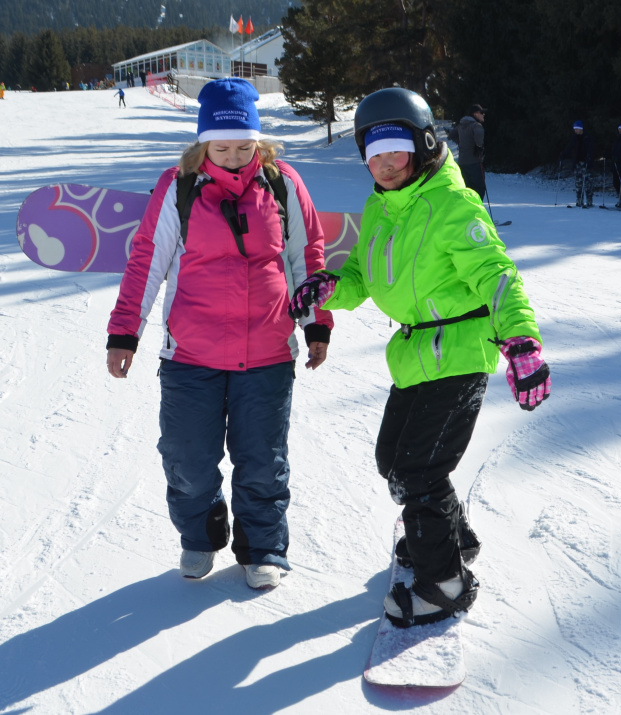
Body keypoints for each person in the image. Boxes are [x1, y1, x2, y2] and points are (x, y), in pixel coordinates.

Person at [289, 87, 550, 627]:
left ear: (425, 146)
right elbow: (362, 275)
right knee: (395, 463)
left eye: (395, 152)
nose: (384, 166)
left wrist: (521, 341)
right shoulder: (381, 207)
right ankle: (450, 535)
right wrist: (326, 290)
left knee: (418, 470)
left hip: (457, 354)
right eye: (373, 156)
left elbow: (497, 275)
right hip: (414, 357)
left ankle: (445, 584)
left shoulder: (454, 205)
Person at [106, 78, 332, 590]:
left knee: (263, 459)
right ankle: (200, 537)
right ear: (203, 142)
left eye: (244, 146)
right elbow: (147, 260)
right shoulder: (178, 186)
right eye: (222, 146)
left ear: (259, 141)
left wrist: (315, 322)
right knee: (187, 457)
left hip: (268, 351)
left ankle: (263, 548)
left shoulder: (282, 183)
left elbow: (306, 257)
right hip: (191, 354)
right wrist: (125, 333)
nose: (233, 157)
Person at [453, 103, 487, 199]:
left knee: (466, 189)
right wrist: (479, 146)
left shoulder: (461, 125)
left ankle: (467, 210)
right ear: (475, 114)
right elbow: (479, 133)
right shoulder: (476, 125)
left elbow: (452, 134)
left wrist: (462, 144)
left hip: (462, 163)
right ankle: (476, 210)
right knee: (479, 189)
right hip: (474, 162)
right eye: (481, 112)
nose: (483, 114)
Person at [560, 120, 595, 207]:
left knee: (587, 182)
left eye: (577, 129)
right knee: (578, 182)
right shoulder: (574, 138)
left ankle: (589, 200)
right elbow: (569, 148)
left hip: (586, 162)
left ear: (581, 129)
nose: (575, 130)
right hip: (577, 163)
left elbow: (591, 150)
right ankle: (579, 199)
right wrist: (563, 155)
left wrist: (589, 159)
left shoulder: (587, 137)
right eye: (574, 129)